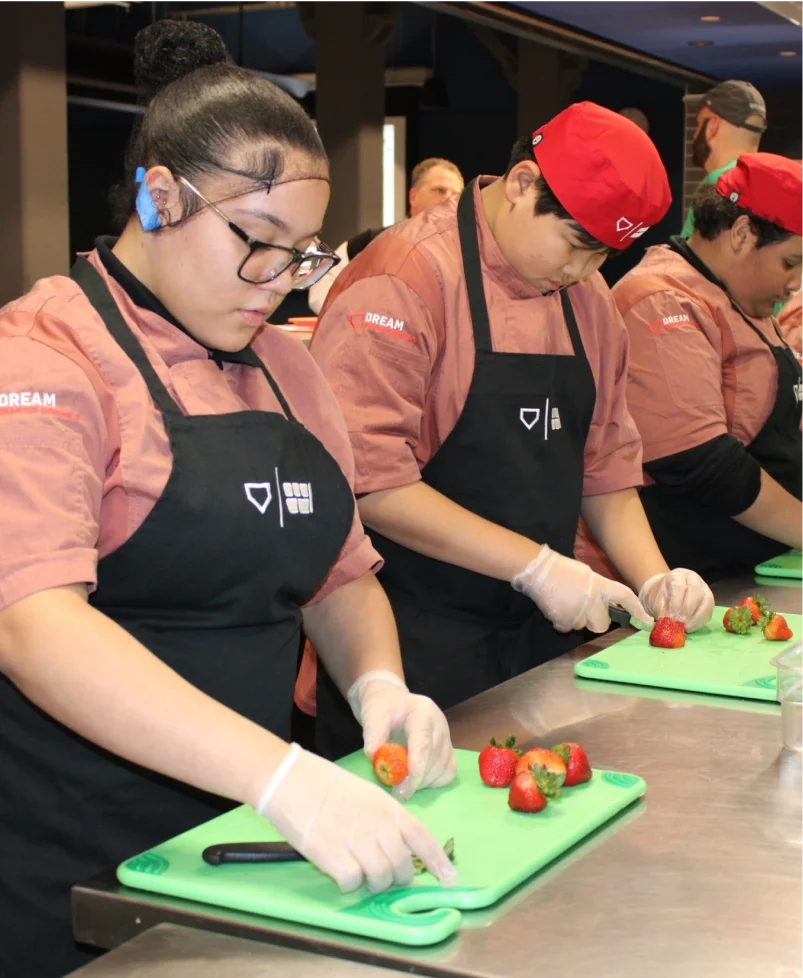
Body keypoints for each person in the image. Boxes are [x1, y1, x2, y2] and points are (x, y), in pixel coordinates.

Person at [0, 21, 457, 978]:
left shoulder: (291, 367)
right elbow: (32, 623)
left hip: (248, 850)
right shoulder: (45, 354)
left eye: (302, 254)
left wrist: (378, 685)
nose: (277, 284)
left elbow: (339, 576)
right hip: (71, 862)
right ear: (158, 196)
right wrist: (281, 774)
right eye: (256, 244)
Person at [303, 101, 715, 761]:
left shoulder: (589, 303)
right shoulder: (404, 277)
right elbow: (367, 482)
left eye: (603, 254)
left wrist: (655, 584)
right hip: (408, 641)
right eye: (577, 246)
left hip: (541, 640)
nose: (583, 272)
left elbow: (604, 470)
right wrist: (534, 565)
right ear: (523, 184)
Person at [611, 153, 803, 579]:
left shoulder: (741, 295)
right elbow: (701, 462)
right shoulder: (662, 300)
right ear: (741, 233)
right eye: (790, 263)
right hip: (692, 574)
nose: (794, 285)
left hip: (756, 563)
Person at [307, 157, 464, 314]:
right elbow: (320, 293)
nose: (449, 199)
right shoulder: (371, 243)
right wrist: (372, 317)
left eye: (457, 195)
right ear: (413, 197)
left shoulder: (469, 251)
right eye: (440, 190)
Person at [681, 80, 766, 239]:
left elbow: (688, 258)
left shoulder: (719, 182)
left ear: (713, 125)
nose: (694, 135)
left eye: (699, 124)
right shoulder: (772, 181)